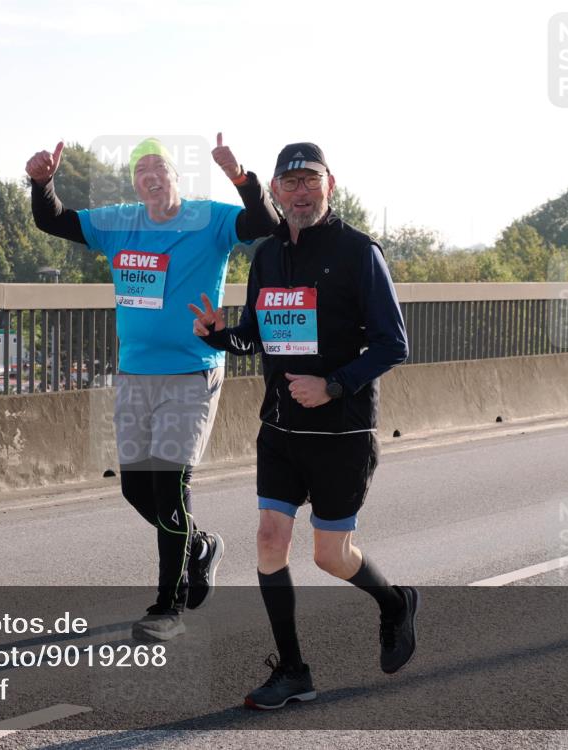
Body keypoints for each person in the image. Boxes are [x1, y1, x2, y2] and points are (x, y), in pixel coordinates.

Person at [190, 142, 417, 708]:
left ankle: (395, 604)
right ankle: (293, 670)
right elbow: (255, 336)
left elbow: (394, 344)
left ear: (330, 184)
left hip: (342, 431)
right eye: (288, 183)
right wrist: (219, 335)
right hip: (281, 428)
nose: (299, 191)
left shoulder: (360, 252)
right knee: (269, 540)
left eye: (309, 180)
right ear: (275, 192)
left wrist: (333, 384)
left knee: (330, 556)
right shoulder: (266, 256)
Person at [26, 134, 279, 642]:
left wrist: (241, 179)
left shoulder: (209, 219)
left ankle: (169, 606)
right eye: (141, 172)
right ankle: (199, 544)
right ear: (136, 185)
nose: (151, 178)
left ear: (175, 178)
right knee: (135, 487)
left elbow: (264, 225)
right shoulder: (120, 222)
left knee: (170, 481)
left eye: (159, 169)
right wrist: (41, 182)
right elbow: (54, 219)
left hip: (191, 370)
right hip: (136, 372)